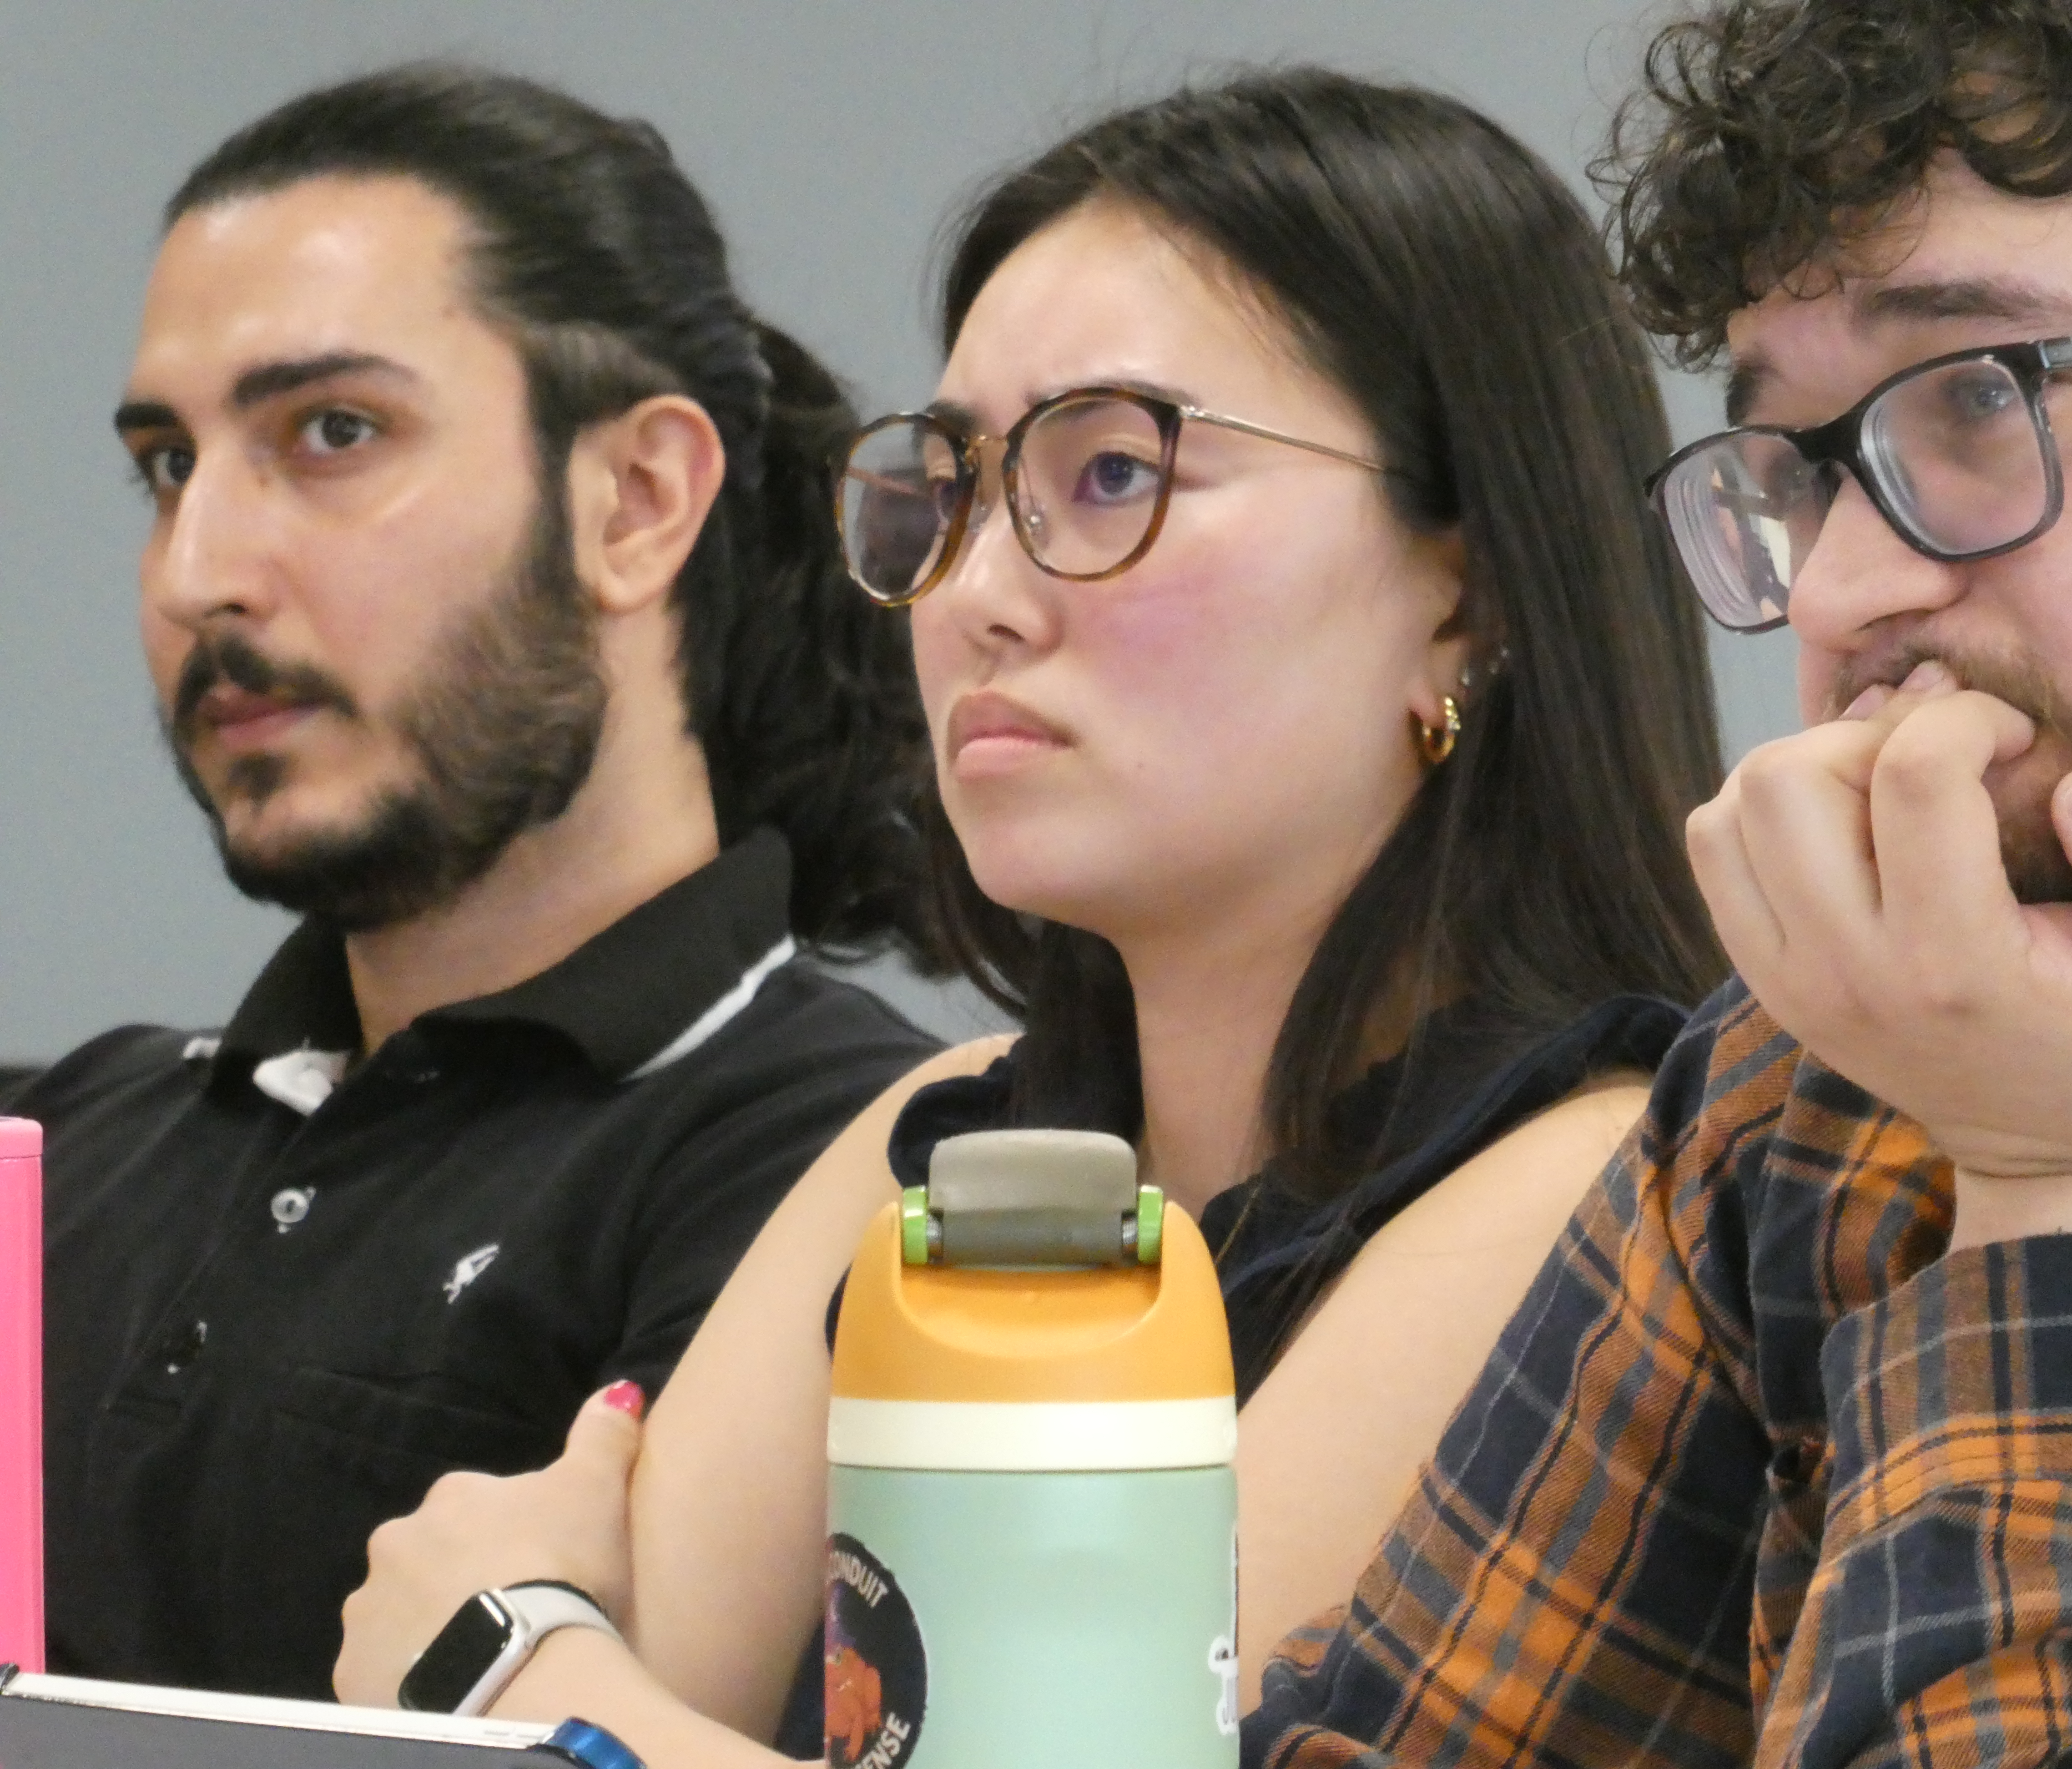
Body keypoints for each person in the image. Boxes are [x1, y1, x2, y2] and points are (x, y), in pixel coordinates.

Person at [331, 69, 1729, 1763]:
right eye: (953, 494)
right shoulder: (928, 1143)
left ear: (1473, 588)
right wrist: (578, 1690)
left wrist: (511, 1659)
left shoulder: (1602, 1183)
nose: (977, 596)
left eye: (1115, 471)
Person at [1231, 2, 2072, 1764]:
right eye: (1799, 474)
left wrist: (2061, 1192)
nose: (1835, 593)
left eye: (1984, 392)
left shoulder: (1950, 1084)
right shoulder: (1824, 1096)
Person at [0, 65, 944, 1700]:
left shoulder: (846, 1165)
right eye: (167, 465)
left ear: (636, 503)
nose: (198, 570)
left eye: (334, 432)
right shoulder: (66, 1135)